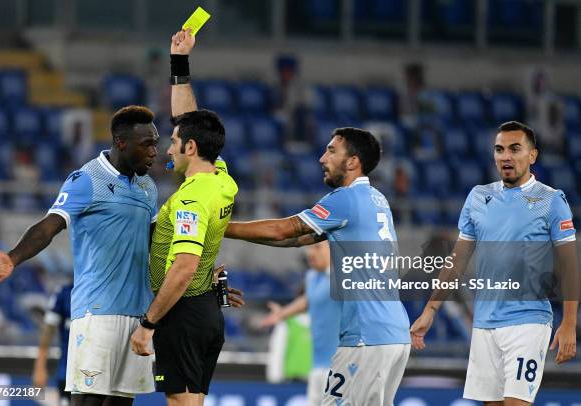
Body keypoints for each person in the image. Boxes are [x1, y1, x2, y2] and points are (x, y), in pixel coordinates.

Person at [0, 105, 160, 405]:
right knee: (87, 402)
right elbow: (50, 226)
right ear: (121, 143)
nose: (155, 151)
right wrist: (13, 257)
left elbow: (157, 245)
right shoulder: (87, 179)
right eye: (147, 144)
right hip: (97, 312)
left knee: (121, 403)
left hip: (137, 316)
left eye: (156, 143)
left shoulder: (147, 187)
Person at [225, 127, 411, 405]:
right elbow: (295, 239)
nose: (322, 158)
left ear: (353, 161)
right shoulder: (377, 199)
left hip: (365, 335)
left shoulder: (345, 199)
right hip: (393, 332)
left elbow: (281, 230)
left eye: (332, 150)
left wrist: (216, 227)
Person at [410, 121, 578, 405]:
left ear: (532, 155)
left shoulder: (551, 201)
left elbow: (570, 266)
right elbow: (457, 260)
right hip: (485, 323)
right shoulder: (478, 197)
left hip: (528, 322)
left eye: (515, 149)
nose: (506, 156)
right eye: (499, 150)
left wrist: (570, 323)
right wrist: (430, 310)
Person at [129, 28, 243, 406]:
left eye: (175, 143)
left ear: (191, 147)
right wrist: (179, 62)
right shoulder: (221, 178)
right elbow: (189, 118)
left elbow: (183, 266)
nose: (168, 150)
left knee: (181, 402)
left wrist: (148, 324)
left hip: (183, 313)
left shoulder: (192, 198)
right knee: (191, 401)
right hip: (205, 309)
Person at [261, 240, 340, 406]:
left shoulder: (344, 277)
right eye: (309, 247)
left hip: (339, 368)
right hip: (317, 368)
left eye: (317, 247)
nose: (310, 253)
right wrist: (283, 313)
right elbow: (308, 300)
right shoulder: (311, 277)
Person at [33, 283, 73, 406]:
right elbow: (48, 332)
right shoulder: (65, 293)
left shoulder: (107, 291)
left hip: (98, 373)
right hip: (67, 374)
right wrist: (39, 368)